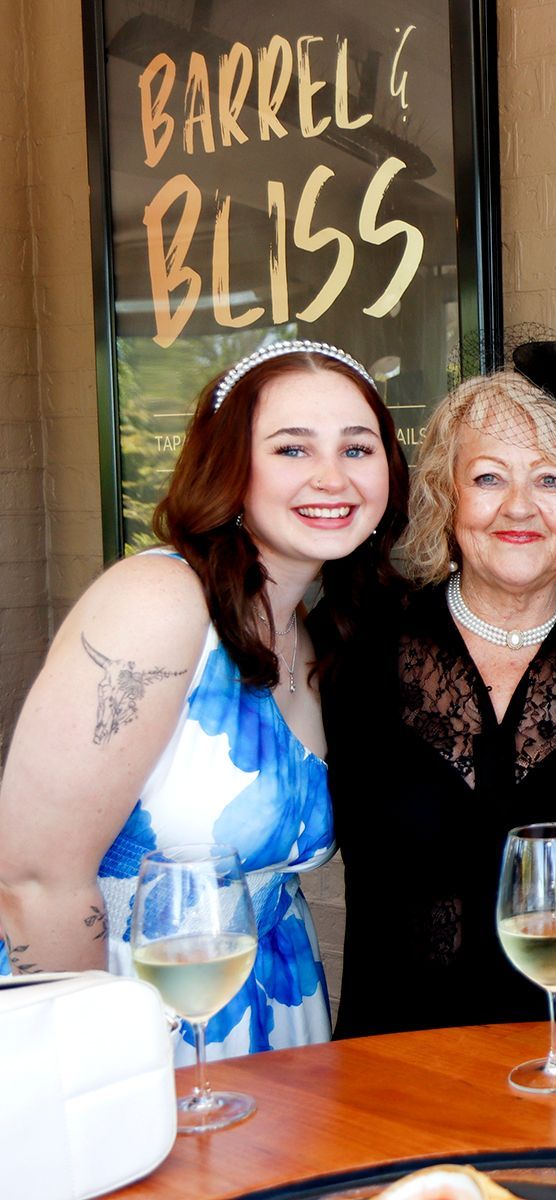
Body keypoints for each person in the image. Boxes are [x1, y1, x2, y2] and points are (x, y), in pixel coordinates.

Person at [0, 340, 407, 1059]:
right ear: (230, 466)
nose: (331, 477)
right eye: (290, 449)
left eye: (357, 448)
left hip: (272, 1019)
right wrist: (93, 1078)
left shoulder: (315, 638)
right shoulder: (158, 602)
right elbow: (34, 879)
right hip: (132, 1022)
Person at [319, 339, 556, 1038]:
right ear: (446, 497)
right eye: (488, 478)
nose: (519, 508)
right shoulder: (353, 658)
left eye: (550, 480)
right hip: (403, 1067)